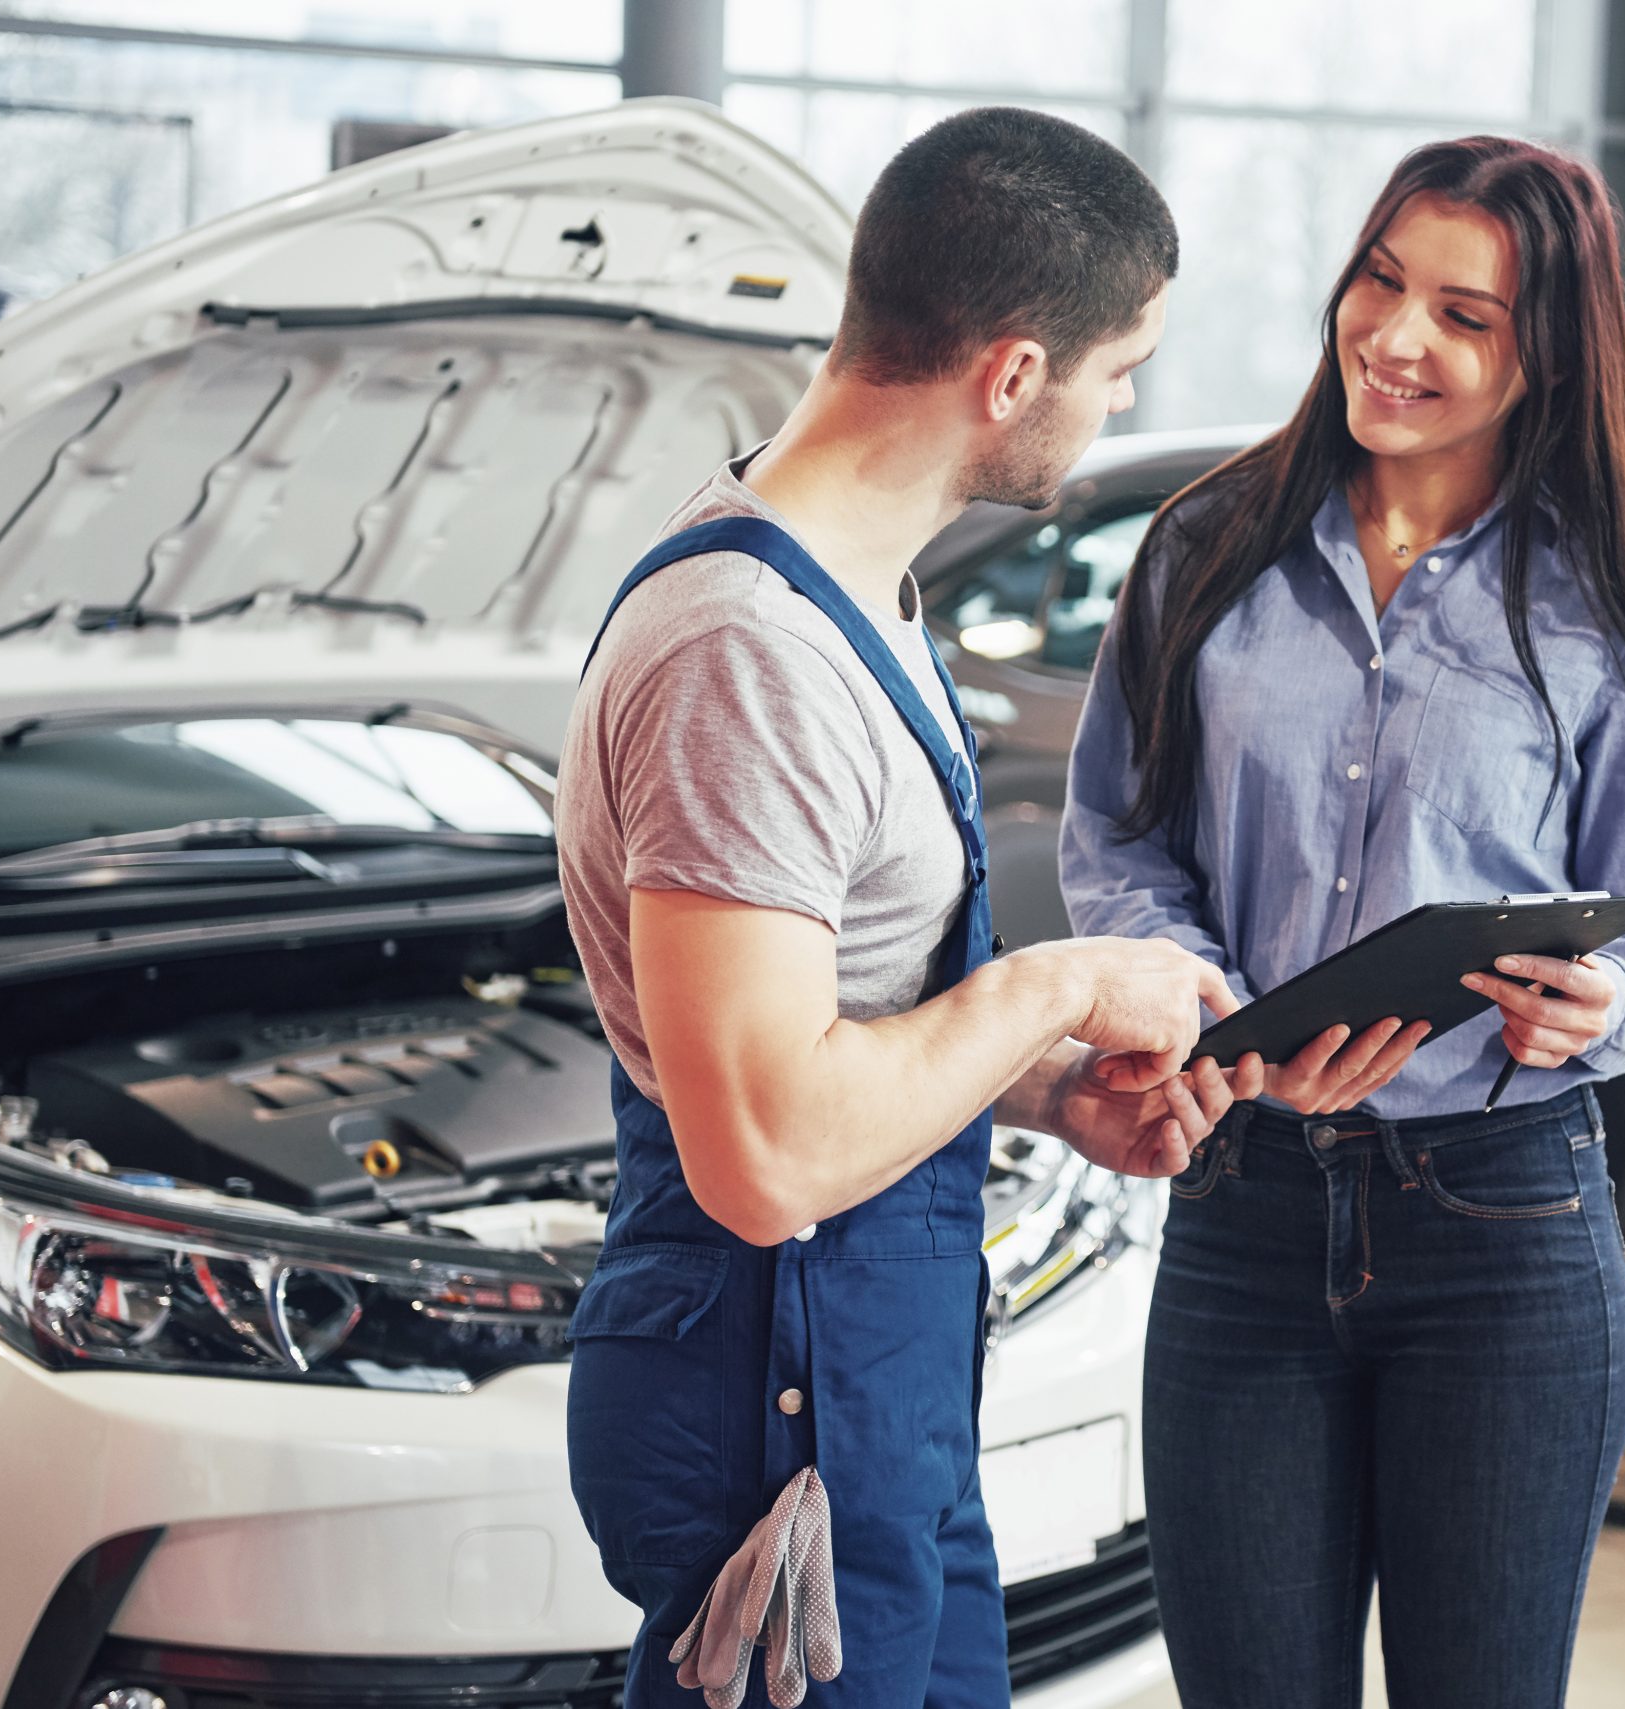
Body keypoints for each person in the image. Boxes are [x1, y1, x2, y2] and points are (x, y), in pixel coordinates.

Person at [556, 107, 1262, 1709]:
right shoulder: (748, 650)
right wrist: (1061, 988)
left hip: (880, 1385)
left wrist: (1052, 1094)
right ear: (1013, 374)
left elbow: (841, 1001)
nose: (1124, 401)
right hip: (770, 1389)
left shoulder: (857, 583)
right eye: (1118, 365)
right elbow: (766, 1152)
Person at [1060, 135, 1625, 1707]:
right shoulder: (1203, 553)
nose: (1399, 338)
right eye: (1382, 281)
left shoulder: (1621, 600)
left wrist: (1598, 1003)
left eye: (1465, 315)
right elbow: (1119, 838)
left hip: (1505, 1234)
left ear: (1544, 354)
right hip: (1243, 1209)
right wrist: (1216, 998)